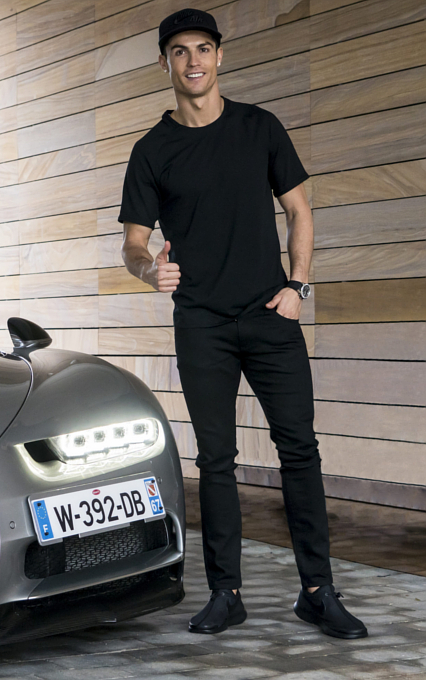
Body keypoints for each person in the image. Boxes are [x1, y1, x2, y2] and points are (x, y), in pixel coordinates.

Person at [118, 8, 367, 639]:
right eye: (180, 51)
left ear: (220, 56)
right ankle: (225, 594)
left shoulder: (260, 128)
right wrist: (149, 271)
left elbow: (300, 210)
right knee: (217, 460)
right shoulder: (151, 151)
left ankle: (318, 592)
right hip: (201, 324)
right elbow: (134, 245)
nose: (193, 61)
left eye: (203, 48)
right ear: (165, 63)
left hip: (269, 316)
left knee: (300, 450)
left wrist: (297, 287)